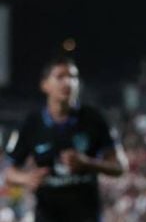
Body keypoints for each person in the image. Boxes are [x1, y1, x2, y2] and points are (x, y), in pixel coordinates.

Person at [3, 55, 127, 222]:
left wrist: (88, 164)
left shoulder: (94, 119)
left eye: (73, 77)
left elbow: (120, 167)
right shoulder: (31, 124)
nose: (67, 82)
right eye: (60, 77)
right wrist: (27, 178)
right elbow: (8, 171)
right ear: (45, 85)